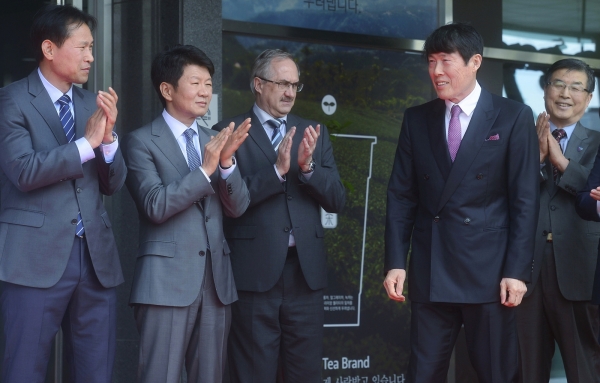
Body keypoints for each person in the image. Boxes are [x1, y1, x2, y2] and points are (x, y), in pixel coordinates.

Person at [383, 22, 539, 383]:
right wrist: (395, 261)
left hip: (490, 274)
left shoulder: (512, 116)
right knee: (422, 373)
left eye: (446, 61)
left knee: (495, 374)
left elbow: (525, 200)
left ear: (475, 62)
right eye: (431, 61)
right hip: (431, 268)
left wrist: (517, 271)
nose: (436, 71)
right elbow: (401, 196)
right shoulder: (416, 118)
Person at [0, 4, 126, 382]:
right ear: (49, 49)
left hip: (95, 259)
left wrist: (108, 144)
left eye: (92, 47)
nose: (91, 56)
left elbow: (113, 183)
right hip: (33, 258)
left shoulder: (93, 103)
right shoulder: (11, 100)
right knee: (24, 368)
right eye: (82, 46)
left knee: (95, 370)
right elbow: (23, 171)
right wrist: (86, 144)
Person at [214, 49, 345, 382]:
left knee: (304, 373)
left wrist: (307, 168)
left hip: (305, 274)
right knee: (254, 372)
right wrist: (276, 171)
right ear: (258, 84)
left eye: (295, 85)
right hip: (254, 276)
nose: (290, 93)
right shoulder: (229, 133)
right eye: (283, 83)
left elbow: (337, 200)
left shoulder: (313, 131)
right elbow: (231, 202)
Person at [123, 45, 251, 383]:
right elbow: (154, 205)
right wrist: (205, 170)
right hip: (165, 282)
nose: (205, 92)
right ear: (167, 89)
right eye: (195, 83)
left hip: (216, 283)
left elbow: (238, 207)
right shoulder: (140, 142)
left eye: (208, 84)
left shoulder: (215, 140)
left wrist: (225, 165)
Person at [518, 58, 600, 382]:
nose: (566, 93)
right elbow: (502, 194)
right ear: (545, 90)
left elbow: (593, 195)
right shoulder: (520, 138)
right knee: (525, 369)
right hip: (526, 273)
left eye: (576, 87)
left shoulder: (598, 143)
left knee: (586, 369)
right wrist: (537, 160)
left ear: (589, 97)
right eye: (558, 84)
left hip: (580, 271)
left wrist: (561, 161)